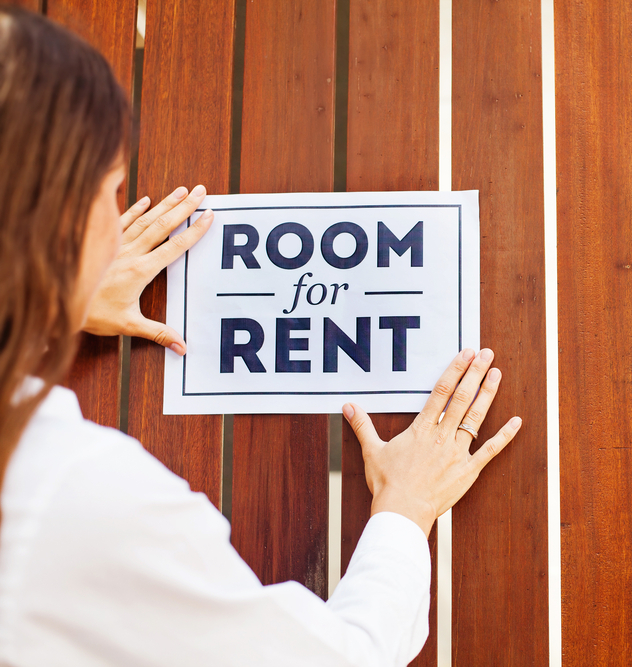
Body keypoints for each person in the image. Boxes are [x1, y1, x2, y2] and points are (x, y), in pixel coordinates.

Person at [0, 7, 520, 665]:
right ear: (52, 222)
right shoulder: (71, 490)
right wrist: (406, 508)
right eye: (110, 193)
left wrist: (52, 302)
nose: (114, 228)